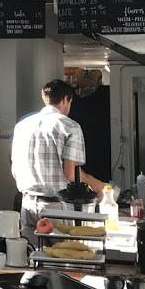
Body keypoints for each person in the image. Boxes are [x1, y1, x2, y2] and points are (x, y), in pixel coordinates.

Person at [10, 79, 106, 231]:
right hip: (55, 208)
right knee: (61, 246)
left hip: (27, 204)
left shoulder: (21, 126)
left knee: (30, 246)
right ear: (65, 100)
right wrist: (98, 185)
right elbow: (71, 174)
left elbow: (15, 169)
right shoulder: (70, 126)